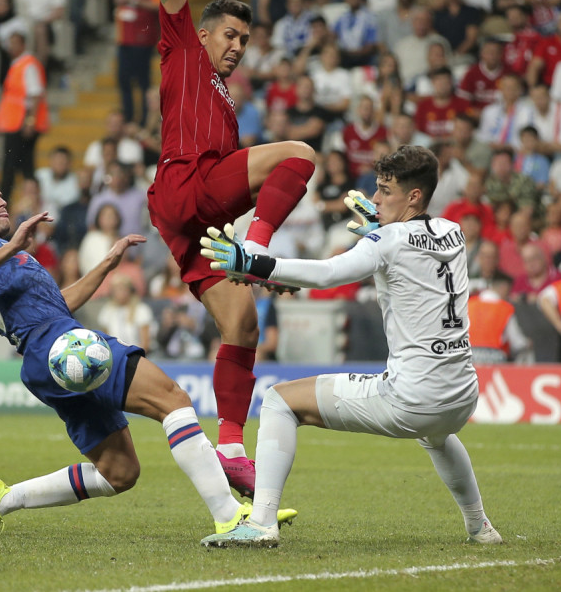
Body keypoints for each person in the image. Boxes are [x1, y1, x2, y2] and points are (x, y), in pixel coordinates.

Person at [0, 170, 295, 540]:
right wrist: (14, 245)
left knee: (119, 472)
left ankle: (3, 499)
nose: (1, 201)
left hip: (45, 357)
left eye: (0, 195)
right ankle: (230, 516)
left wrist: (107, 265)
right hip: (62, 345)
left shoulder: (0, 255)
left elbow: (59, 304)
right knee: (172, 400)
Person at [199, 145, 502, 547]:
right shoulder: (453, 232)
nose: (374, 199)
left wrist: (256, 264)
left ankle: (260, 524)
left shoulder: (387, 240)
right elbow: (414, 248)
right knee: (437, 435)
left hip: (411, 398)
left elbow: (329, 274)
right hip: (462, 395)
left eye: (384, 190)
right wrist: (382, 223)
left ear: (414, 196)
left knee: (278, 400)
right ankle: (480, 527)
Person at [147, 0, 317, 497]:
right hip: (183, 186)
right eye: (231, 34)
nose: (238, 45)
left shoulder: (225, 103)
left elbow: (232, 194)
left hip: (191, 215)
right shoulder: (183, 48)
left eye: (246, 38)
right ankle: (262, 252)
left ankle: (229, 449)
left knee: (242, 323)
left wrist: (243, 256)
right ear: (205, 30)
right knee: (299, 153)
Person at [0, 28, 49, 202]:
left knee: (11, 167)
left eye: (15, 43)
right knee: (25, 167)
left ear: (23, 44)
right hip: (15, 122)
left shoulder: (28, 64)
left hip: (21, 123)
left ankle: (5, 204)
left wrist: (30, 121)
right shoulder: (19, 63)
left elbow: (35, 95)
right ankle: (29, 202)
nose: (11, 47)